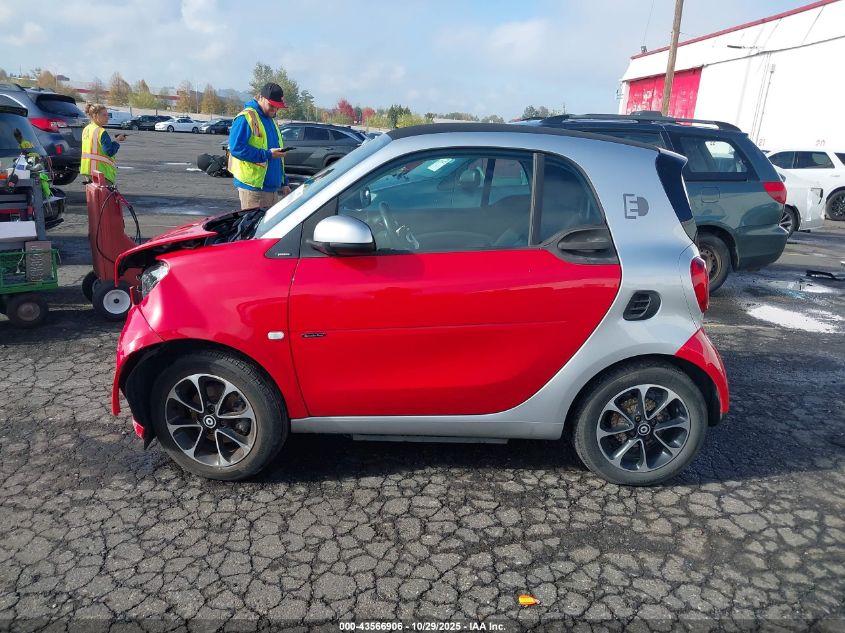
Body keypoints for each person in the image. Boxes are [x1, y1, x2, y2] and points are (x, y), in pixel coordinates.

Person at [228, 82, 291, 210]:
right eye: (271, 105)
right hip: (254, 190)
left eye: (277, 107)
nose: (275, 109)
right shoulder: (246, 117)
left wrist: (284, 181)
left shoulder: (271, 120)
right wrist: (268, 154)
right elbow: (236, 148)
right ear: (261, 97)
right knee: (255, 224)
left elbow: (277, 156)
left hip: (271, 189)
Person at [81, 103, 126, 184]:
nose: (107, 117)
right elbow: (109, 152)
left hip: (87, 170)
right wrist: (117, 140)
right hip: (100, 172)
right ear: (95, 115)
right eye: (104, 115)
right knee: (108, 192)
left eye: (107, 115)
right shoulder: (101, 131)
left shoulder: (87, 129)